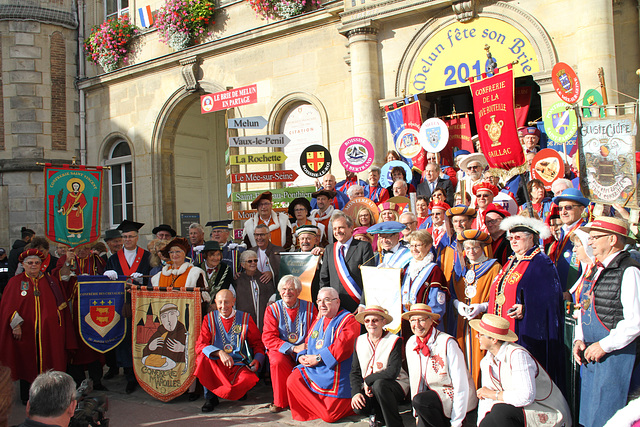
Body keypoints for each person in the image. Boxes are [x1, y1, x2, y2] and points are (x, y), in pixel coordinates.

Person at [573, 217, 640, 427]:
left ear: (612, 239)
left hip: (616, 356)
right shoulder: (595, 269)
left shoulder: (629, 270)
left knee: (608, 416)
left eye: (594, 237)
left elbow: (635, 321)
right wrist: (579, 339)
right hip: (592, 354)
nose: (590, 242)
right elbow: (583, 307)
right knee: (589, 418)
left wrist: (604, 345)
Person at [487, 215, 565, 387]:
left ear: (531, 238)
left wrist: (527, 306)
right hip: (506, 328)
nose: (513, 241)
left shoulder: (541, 262)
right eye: (511, 238)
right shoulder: (512, 261)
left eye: (518, 238)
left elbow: (550, 298)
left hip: (527, 330)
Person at [0, 249, 75, 404]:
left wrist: (67, 261)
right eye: (30, 263)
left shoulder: (50, 281)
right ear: (23, 265)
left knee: (51, 362)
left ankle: (50, 394)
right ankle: (28, 396)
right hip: (25, 333)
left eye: (36, 263)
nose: (33, 266)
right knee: (27, 363)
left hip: (49, 333)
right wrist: (15, 325)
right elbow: (8, 307)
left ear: (42, 264)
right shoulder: (15, 282)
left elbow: (65, 278)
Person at [471, 314, 571, 427]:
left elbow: (526, 396)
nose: (476, 337)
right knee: (492, 417)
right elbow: (486, 399)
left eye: (480, 334)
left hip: (546, 409)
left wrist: (494, 395)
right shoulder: (486, 362)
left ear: (494, 339)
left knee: (501, 412)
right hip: (517, 409)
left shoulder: (517, 355)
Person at [286, 287, 361, 422]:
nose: (322, 304)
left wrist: (318, 358)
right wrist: (302, 355)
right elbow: (308, 341)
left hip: (335, 371)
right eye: (319, 301)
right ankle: (322, 409)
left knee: (330, 417)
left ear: (337, 302)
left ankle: (335, 409)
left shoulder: (349, 320)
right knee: (293, 380)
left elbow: (343, 347)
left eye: (327, 300)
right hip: (314, 368)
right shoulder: (319, 320)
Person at [403, 304, 477, 427]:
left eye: (421, 320)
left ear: (431, 321)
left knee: (421, 401)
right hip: (435, 396)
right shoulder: (411, 343)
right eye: (413, 320)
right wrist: (417, 413)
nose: (417, 325)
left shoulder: (447, 342)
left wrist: (457, 420)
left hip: (456, 397)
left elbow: (460, 383)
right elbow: (416, 379)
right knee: (420, 404)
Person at [195, 289, 266, 411]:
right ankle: (210, 398)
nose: (223, 306)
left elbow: (257, 343)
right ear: (215, 302)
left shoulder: (245, 318)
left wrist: (257, 359)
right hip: (216, 363)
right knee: (202, 359)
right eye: (220, 302)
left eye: (227, 302)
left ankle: (240, 391)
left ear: (234, 301)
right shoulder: (209, 319)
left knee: (243, 382)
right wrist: (219, 352)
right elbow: (200, 345)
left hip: (238, 364)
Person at [103, 219, 151, 394]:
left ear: (137, 238)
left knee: (142, 337)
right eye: (124, 237)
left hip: (142, 303)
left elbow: (153, 279)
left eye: (131, 236)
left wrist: (143, 279)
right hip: (122, 304)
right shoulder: (114, 259)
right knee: (124, 339)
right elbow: (106, 282)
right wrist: (107, 276)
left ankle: (143, 373)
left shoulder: (146, 256)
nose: (127, 240)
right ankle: (130, 375)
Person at [450, 230, 501, 386]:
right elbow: (451, 292)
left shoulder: (494, 267)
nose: (471, 252)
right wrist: (457, 304)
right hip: (462, 322)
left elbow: (499, 296)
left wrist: (483, 306)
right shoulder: (460, 268)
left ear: (483, 248)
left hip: (482, 322)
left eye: (475, 248)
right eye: (468, 248)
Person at [262, 275, 317, 413]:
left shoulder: (310, 307)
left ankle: (303, 400)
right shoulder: (272, 309)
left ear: (298, 291)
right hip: (281, 349)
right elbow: (268, 337)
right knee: (277, 361)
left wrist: (303, 350)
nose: (287, 293)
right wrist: (292, 348)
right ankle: (280, 401)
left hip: (305, 348)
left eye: (291, 289)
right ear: (279, 292)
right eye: (284, 289)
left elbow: (316, 332)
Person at [350, 306, 409, 427]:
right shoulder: (359, 341)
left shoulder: (394, 340)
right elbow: (354, 371)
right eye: (367, 321)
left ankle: (395, 423)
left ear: (384, 322)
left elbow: (392, 372)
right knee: (359, 406)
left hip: (395, 384)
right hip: (370, 387)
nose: (371, 324)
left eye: (375, 320)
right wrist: (356, 393)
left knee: (380, 385)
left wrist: (368, 380)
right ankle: (378, 415)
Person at [319, 211, 375, 313]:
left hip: (357, 306)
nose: (337, 231)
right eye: (335, 229)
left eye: (341, 227)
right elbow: (324, 279)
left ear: (351, 228)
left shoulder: (363, 247)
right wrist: (324, 302)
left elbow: (370, 279)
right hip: (335, 307)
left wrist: (363, 303)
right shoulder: (330, 249)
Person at [402, 230, 448, 332]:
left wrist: (427, 325)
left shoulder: (434, 271)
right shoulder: (407, 268)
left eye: (418, 245)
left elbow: (437, 305)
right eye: (412, 245)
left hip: (425, 325)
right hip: (409, 322)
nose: (414, 249)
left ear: (428, 246)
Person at [548, 188, 589, 291]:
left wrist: (572, 291)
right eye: (560, 208)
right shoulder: (562, 232)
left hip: (575, 293)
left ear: (581, 209)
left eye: (568, 207)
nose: (563, 212)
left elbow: (588, 269)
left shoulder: (585, 232)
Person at [235, 250, 276, 330]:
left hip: (263, 320)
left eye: (255, 260)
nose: (253, 263)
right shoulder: (238, 280)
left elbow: (273, 295)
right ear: (243, 265)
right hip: (245, 321)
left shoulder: (264, 278)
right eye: (249, 261)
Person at [440, 205, 476, 284]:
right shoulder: (447, 243)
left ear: (470, 221)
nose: (459, 224)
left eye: (462, 221)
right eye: (455, 221)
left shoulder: (478, 242)